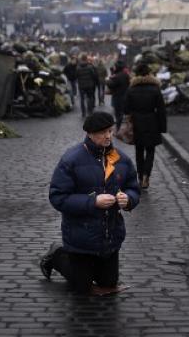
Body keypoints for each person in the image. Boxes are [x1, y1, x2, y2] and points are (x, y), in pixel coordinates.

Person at [40, 112, 140, 294]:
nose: (108, 136)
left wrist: (128, 199)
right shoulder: (71, 159)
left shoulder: (122, 160)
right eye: (102, 132)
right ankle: (56, 256)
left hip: (110, 236)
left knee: (109, 283)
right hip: (80, 237)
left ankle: (97, 267)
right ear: (90, 134)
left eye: (110, 131)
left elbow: (133, 188)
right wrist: (92, 202)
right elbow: (58, 197)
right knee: (82, 286)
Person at [123, 63, 167, 189]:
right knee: (150, 150)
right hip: (152, 122)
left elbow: (126, 109)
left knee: (139, 151)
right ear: (149, 74)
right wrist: (162, 127)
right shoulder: (155, 89)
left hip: (137, 123)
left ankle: (140, 176)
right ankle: (147, 175)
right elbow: (161, 109)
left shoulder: (131, 89)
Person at [106, 61, 130, 129]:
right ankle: (119, 125)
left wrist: (107, 80)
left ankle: (118, 127)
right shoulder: (125, 75)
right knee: (121, 111)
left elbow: (111, 85)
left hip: (118, 96)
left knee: (118, 113)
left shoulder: (117, 76)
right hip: (124, 95)